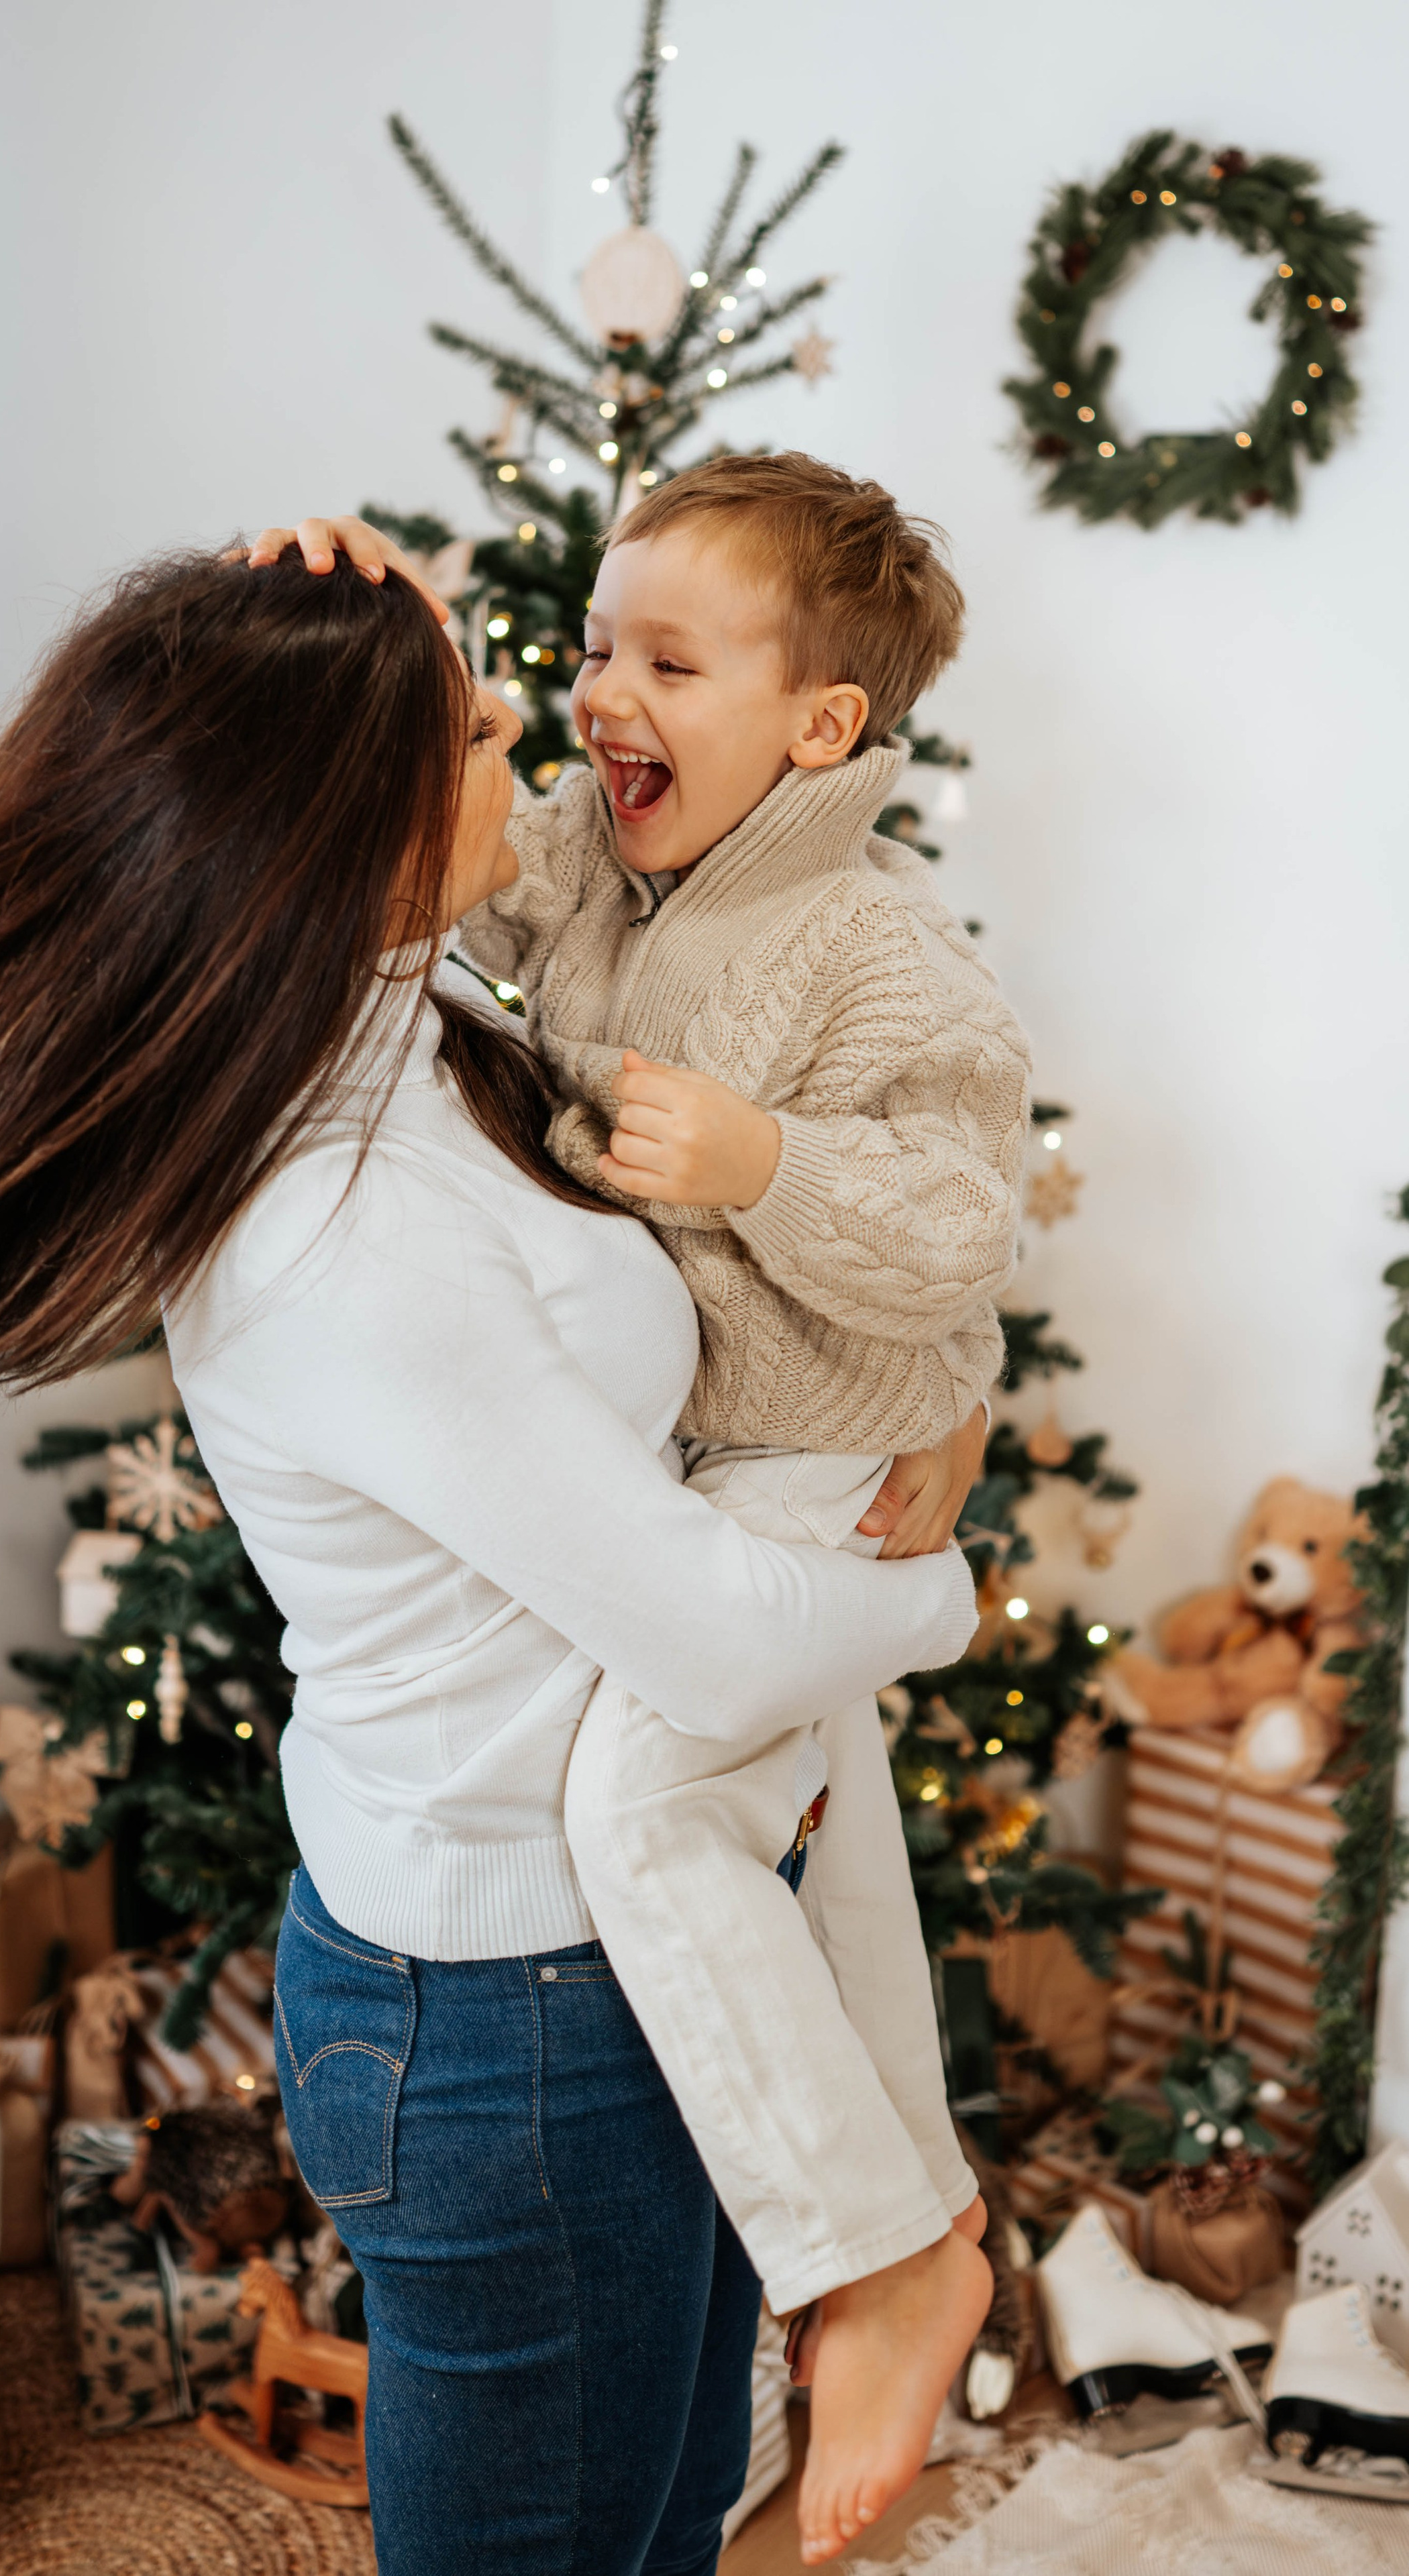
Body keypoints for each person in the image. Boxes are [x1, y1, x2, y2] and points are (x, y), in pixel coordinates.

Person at [0, 542, 980, 2573]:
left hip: (625, 1943)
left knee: (661, 2523)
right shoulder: (335, 1226)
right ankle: (907, 2264)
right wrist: (944, 1586)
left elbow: (258, 771)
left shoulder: (420, 1014)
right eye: (473, 728)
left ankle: (904, 2255)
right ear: (354, 824)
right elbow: (722, 1646)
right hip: (524, 2006)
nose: (529, 740)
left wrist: (345, 613)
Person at [256, 459, 1029, 2561]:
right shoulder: (569, 889)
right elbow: (374, 853)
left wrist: (775, 1167)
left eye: (659, 662)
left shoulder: (870, 952)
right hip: (559, 1834)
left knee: (750, 1821)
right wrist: (327, 646)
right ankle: (895, 2243)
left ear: (819, 728)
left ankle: (898, 2234)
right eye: (578, 656)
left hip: (786, 1456)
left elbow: (972, 1210)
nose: (572, 705)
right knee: (705, 1798)